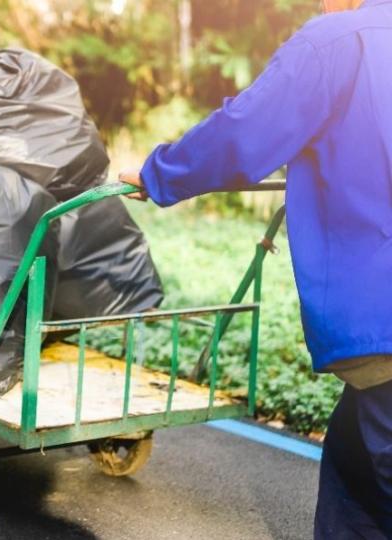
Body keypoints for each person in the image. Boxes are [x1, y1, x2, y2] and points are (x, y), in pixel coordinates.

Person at [119, 0, 392, 537]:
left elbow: (243, 135)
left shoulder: (337, 43)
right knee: (353, 466)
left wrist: (159, 174)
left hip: (381, 320)